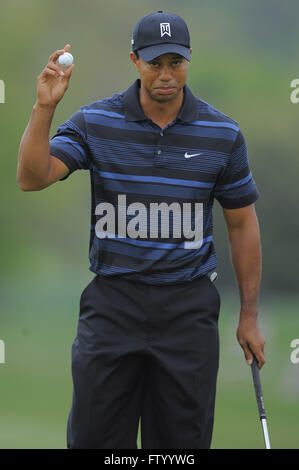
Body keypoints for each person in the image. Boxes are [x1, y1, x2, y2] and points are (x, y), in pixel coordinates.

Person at [17, 11, 266, 450]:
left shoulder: (222, 133)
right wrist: (44, 107)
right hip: (114, 305)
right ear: (135, 61)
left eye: (176, 62)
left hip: (188, 311)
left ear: (189, 60)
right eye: (155, 63)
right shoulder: (97, 123)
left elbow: (242, 224)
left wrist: (248, 315)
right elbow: (32, 177)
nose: (166, 74)